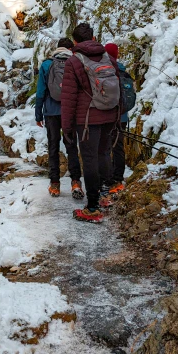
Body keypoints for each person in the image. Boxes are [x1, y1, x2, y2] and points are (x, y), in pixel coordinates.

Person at [60, 22, 121, 223]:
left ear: (75, 42)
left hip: (86, 120)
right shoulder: (108, 58)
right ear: (94, 38)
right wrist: (118, 115)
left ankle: (93, 207)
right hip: (109, 115)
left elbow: (68, 98)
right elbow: (119, 87)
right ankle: (105, 195)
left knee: (89, 159)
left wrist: (66, 126)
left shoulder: (74, 62)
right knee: (104, 153)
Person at [35, 37, 84, 199]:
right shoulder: (75, 63)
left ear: (57, 48)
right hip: (70, 111)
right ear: (70, 49)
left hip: (51, 112)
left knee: (53, 147)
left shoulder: (47, 64)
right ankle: (76, 182)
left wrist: (38, 114)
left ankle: (55, 184)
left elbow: (41, 92)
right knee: (71, 146)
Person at [104, 43, 135, 193]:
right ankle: (118, 179)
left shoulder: (105, 70)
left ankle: (108, 180)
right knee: (118, 147)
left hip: (108, 116)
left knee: (105, 147)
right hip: (122, 116)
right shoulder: (122, 70)